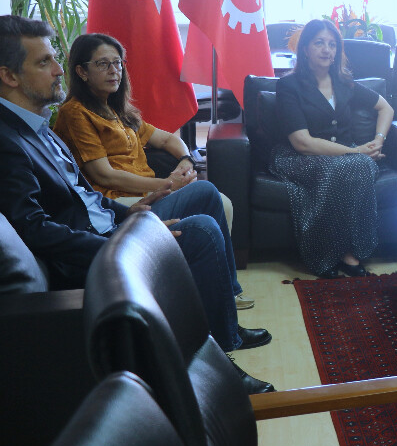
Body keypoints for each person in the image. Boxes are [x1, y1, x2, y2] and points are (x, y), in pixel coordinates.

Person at [0, 15, 272, 393]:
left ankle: (224, 338)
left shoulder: (39, 126)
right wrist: (120, 241)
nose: (59, 70)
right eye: (44, 62)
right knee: (202, 231)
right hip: (89, 254)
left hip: (111, 224)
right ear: (9, 76)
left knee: (205, 204)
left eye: (55, 59)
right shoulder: (9, 141)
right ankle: (221, 360)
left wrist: (131, 214)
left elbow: (83, 196)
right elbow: (33, 228)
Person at [52, 33, 253, 310]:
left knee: (220, 201)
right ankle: (224, 292)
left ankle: (214, 289)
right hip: (117, 202)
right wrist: (167, 184)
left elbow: (167, 139)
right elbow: (104, 175)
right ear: (81, 71)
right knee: (207, 192)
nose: (114, 70)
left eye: (118, 63)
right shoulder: (75, 113)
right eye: (103, 64)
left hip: (146, 192)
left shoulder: (116, 109)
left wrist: (186, 160)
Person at [272, 19, 394, 279]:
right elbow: (302, 142)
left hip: (347, 155)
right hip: (299, 157)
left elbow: (386, 107)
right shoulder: (288, 86)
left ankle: (349, 251)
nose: (327, 50)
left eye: (332, 44)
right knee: (350, 167)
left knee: (359, 166)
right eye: (319, 43)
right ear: (305, 49)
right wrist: (358, 152)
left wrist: (378, 140)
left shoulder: (344, 83)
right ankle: (330, 253)